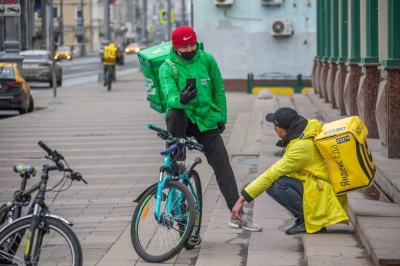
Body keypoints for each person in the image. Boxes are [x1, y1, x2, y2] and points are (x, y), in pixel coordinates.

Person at [158, 26, 261, 232]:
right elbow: (169, 98)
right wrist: (182, 99)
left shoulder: (206, 60)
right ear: (176, 47)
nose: (189, 49)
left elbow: (218, 90)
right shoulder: (167, 67)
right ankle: (177, 164)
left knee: (222, 163)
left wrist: (221, 117)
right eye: (184, 46)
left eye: (192, 44)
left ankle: (237, 214)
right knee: (174, 113)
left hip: (205, 119)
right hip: (182, 119)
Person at [231, 107, 349, 234]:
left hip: (322, 193)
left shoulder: (300, 148)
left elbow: (272, 173)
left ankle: (309, 219)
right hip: (320, 187)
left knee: (278, 183)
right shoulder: (305, 130)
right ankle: (302, 218)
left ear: (279, 129)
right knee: (272, 184)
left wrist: (241, 199)